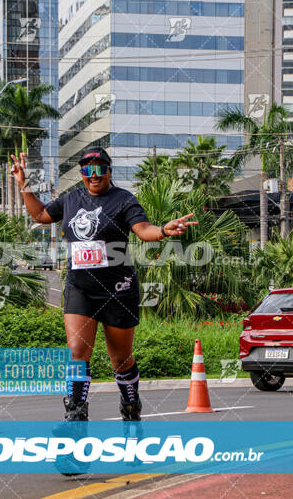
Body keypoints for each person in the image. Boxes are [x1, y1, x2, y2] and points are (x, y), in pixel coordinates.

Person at [11, 147, 197, 421]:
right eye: (88, 170)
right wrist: (24, 184)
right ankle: (76, 410)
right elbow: (40, 215)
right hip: (80, 287)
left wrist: (162, 231)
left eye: (100, 169)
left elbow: (143, 230)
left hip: (118, 289)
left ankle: (130, 402)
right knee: (77, 351)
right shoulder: (72, 199)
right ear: (82, 174)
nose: (94, 175)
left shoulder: (123, 200)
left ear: (109, 172)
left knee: (120, 360)